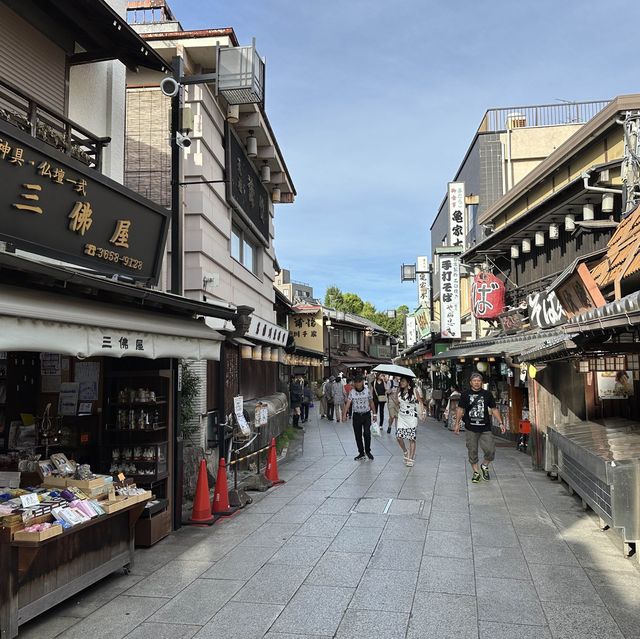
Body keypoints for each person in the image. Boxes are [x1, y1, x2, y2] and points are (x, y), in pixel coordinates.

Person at [454, 372, 506, 483]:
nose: (477, 383)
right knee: (472, 451)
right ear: (470, 382)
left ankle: (484, 465)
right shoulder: (465, 394)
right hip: (470, 427)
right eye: (474, 381)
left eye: (478, 381)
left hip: (485, 427)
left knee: (490, 450)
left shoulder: (487, 394)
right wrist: (457, 424)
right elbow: (460, 409)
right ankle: (476, 472)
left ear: (481, 382)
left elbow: (494, 409)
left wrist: (501, 422)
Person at [391, 376, 424, 466]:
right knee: (399, 437)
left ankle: (411, 458)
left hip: (411, 417)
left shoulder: (414, 391)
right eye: (401, 381)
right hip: (402, 417)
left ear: (408, 382)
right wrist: (392, 395)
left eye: (403, 381)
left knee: (411, 438)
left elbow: (420, 402)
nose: (401, 383)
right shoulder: (399, 392)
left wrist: (423, 413)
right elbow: (397, 403)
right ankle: (405, 451)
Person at [342, 374, 377, 460]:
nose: (358, 384)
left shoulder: (367, 391)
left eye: (359, 382)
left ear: (362, 382)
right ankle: (361, 453)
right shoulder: (352, 392)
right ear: (354, 383)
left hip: (366, 415)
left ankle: (368, 451)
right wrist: (344, 415)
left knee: (367, 433)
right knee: (358, 435)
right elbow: (348, 404)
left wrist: (375, 414)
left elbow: (371, 402)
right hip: (357, 416)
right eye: (356, 382)